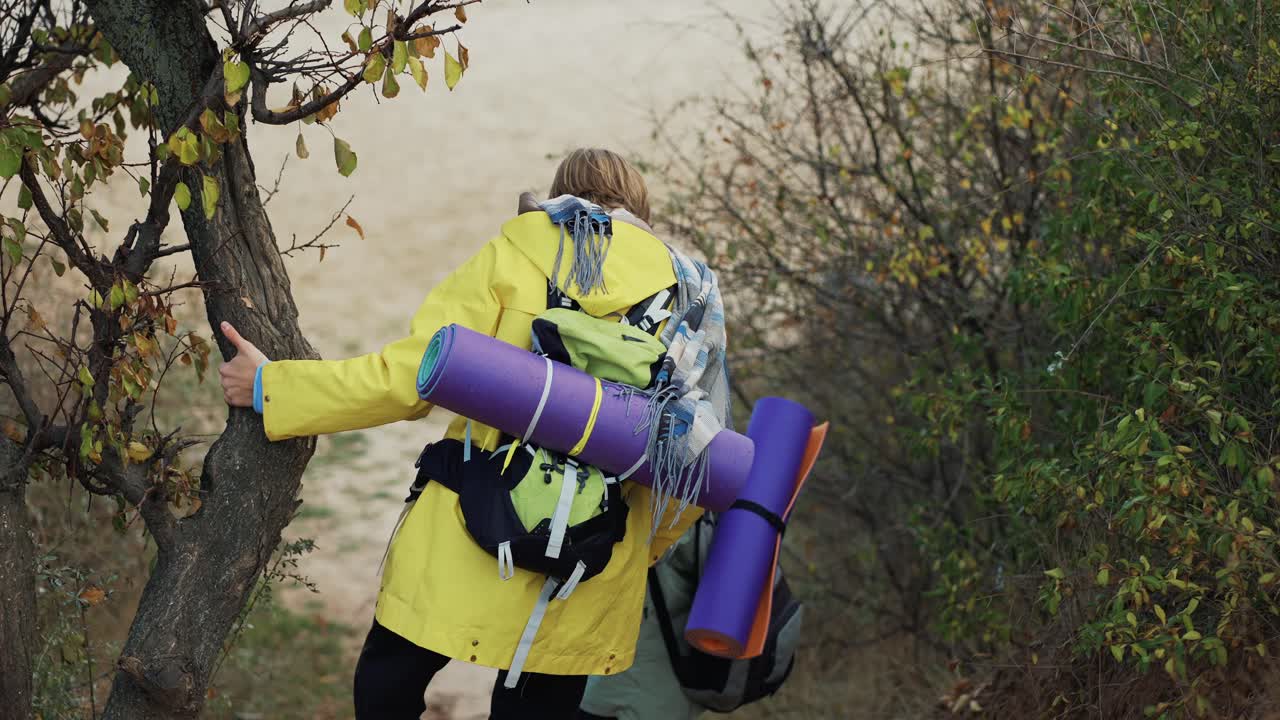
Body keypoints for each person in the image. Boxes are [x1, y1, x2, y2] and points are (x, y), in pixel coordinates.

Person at [217, 148, 721, 720]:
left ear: (559, 195)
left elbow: (412, 379)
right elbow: (695, 460)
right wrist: (640, 550)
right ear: (642, 210)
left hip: (472, 524)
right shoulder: (692, 298)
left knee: (386, 687)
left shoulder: (517, 252)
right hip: (591, 559)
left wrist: (274, 388)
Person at [578, 520, 710, 720]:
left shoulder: (697, 517)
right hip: (664, 683)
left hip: (633, 671)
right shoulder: (727, 521)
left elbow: (655, 542)